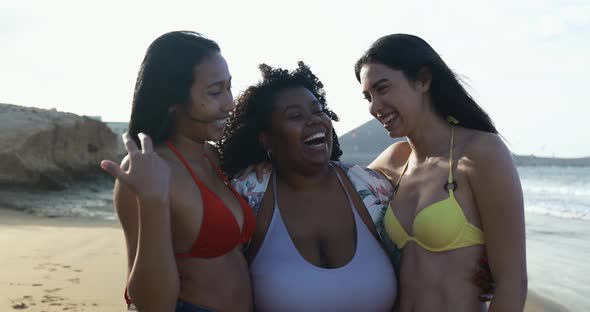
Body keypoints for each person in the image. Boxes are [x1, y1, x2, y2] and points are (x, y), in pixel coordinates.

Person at [355, 33, 527, 311]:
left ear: (423, 80)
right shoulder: (394, 161)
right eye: (368, 96)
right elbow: (331, 184)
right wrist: (263, 161)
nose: (374, 107)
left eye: (382, 88)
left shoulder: (480, 153)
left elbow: (513, 280)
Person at [220, 62, 398, 312]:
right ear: (266, 138)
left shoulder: (372, 187)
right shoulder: (246, 197)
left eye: (318, 111)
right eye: (295, 116)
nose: (314, 121)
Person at [100, 31, 255, 312]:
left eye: (229, 88)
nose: (229, 103)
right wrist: (152, 202)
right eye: (215, 92)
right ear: (172, 99)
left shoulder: (214, 157)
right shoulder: (146, 170)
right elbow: (151, 304)